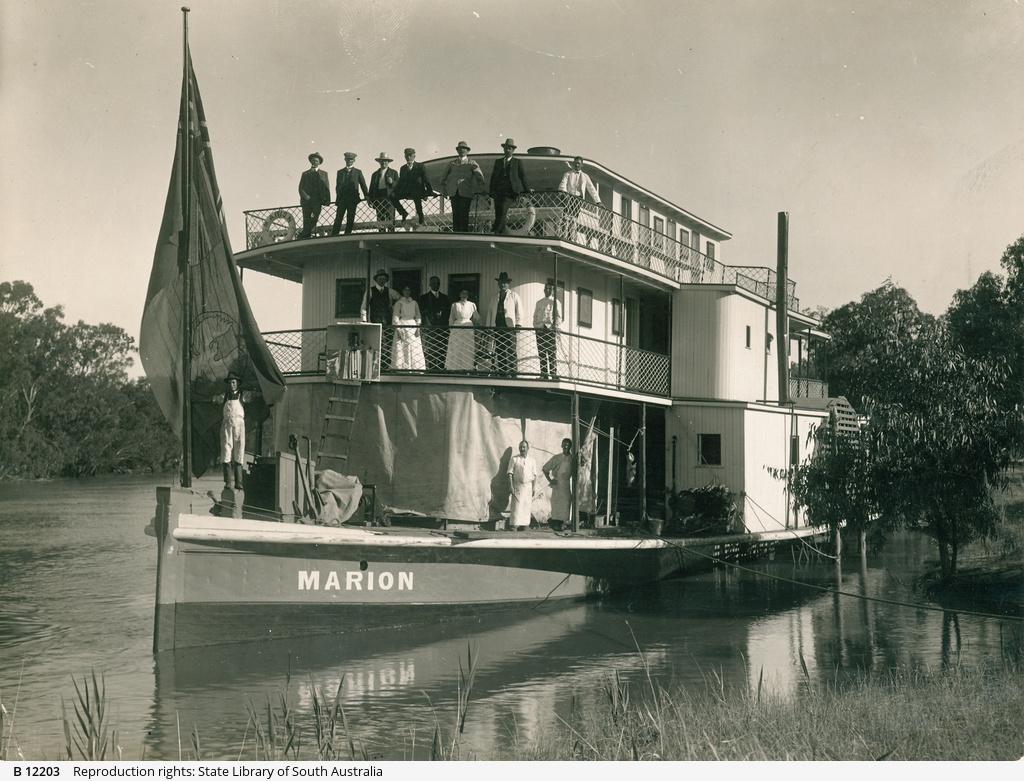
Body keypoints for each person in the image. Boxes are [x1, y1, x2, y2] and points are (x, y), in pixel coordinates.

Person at [438, 141, 485, 232]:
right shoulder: (452, 163)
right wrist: (444, 191)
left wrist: (479, 189)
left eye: (464, 149)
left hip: (466, 193)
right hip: (454, 193)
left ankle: (464, 235)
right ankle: (456, 235)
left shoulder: (472, 163)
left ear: (467, 151)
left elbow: (480, 177)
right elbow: (442, 178)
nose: (462, 150)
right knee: (456, 215)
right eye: (460, 149)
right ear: (457, 151)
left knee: (464, 215)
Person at [489, 138, 531, 235]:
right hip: (498, 192)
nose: (508, 150)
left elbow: (522, 176)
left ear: (513, 150)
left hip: (511, 192)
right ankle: (502, 232)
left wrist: (527, 189)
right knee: (498, 211)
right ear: (503, 149)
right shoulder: (498, 162)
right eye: (506, 148)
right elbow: (493, 177)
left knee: (503, 209)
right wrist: (491, 191)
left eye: (510, 148)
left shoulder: (517, 162)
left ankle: (496, 231)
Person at [484, 271, 523, 375]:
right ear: (498, 283)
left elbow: (519, 311)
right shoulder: (494, 298)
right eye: (501, 282)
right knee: (500, 350)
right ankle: (503, 372)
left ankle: (513, 372)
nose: (503, 284)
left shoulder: (514, 295)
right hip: (497, 327)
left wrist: (518, 324)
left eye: (505, 282)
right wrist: (489, 327)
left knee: (511, 350)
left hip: (509, 327)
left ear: (508, 284)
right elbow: (490, 313)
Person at [360, 268, 400, 367]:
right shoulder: (370, 291)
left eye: (384, 278)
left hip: (388, 321)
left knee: (389, 343)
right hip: (376, 321)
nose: (382, 280)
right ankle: (377, 366)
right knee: (377, 343)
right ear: (376, 279)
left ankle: (387, 366)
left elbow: (400, 299)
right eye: (380, 278)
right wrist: (364, 320)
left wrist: (394, 308)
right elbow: (364, 306)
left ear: (386, 280)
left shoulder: (390, 291)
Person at [330, 152, 369, 235]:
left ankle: (347, 234)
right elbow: (337, 186)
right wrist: (338, 196)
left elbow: (363, 185)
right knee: (338, 217)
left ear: (354, 160)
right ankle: (334, 234)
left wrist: (366, 195)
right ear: (345, 160)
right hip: (342, 199)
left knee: (350, 217)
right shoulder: (340, 172)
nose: (349, 161)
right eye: (348, 159)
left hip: (352, 199)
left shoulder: (358, 172)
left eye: (351, 160)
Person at [418, 276, 450, 371]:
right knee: (431, 350)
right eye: (434, 283)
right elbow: (422, 313)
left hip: (442, 329)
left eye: (437, 283)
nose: (436, 285)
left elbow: (448, 312)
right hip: (430, 329)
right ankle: (431, 370)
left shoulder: (445, 297)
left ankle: (441, 370)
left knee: (442, 349)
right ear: (430, 284)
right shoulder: (424, 298)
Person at [220, 372, 246, 490]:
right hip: (227, 425)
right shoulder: (224, 396)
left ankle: (239, 482)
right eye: (230, 382)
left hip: (239, 425)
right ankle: (228, 482)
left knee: (239, 451)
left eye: (234, 382)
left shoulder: (243, 395)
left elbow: (255, 396)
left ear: (237, 384)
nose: (232, 385)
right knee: (226, 451)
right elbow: (213, 399)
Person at [395, 147, 434, 227]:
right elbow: (401, 182)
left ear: (414, 156)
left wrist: (430, 191)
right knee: (392, 196)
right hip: (406, 191)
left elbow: (426, 179)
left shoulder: (420, 166)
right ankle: (403, 213)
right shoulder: (403, 168)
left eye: (410, 155)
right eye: (406, 156)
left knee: (416, 194)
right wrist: (395, 191)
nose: (408, 157)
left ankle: (420, 215)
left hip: (418, 190)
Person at [390, 286, 426, 370]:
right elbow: (395, 317)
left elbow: (418, 315)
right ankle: (402, 367)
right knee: (402, 347)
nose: (407, 292)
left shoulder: (414, 303)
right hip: (402, 325)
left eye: (409, 290)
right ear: (402, 291)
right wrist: (398, 329)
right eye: (405, 290)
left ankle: (414, 367)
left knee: (414, 347)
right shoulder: (399, 303)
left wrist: (418, 327)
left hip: (413, 327)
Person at [543, 439, 574, 531]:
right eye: (564, 445)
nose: (565, 447)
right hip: (557, 484)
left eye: (567, 445)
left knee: (566, 504)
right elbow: (545, 469)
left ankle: (562, 523)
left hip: (567, 484)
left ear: (570, 446)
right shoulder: (557, 458)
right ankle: (555, 523)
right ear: (561, 445)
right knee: (557, 504)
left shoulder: (572, 459)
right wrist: (550, 480)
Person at [297, 152, 330, 239]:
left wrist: (327, 200)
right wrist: (306, 196)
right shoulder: (305, 173)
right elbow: (300, 188)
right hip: (307, 200)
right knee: (306, 218)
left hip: (318, 200)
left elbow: (327, 187)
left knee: (315, 217)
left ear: (319, 162)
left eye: (316, 161)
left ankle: (304, 234)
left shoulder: (324, 174)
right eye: (313, 160)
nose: (315, 162)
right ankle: (306, 235)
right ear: (311, 161)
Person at [532, 280, 561, 378]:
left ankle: (553, 374)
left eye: (550, 289)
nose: (547, 290)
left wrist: (555, 327)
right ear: (544, 290)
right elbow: (535, 316)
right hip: (540, 330)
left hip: (550, 330)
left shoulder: (555, 302)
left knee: (551, 353)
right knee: (542, 353)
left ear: (553, 290)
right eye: (546, 288)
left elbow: (558, 316)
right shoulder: (539, 303)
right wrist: (536, 327)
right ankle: (543, 374)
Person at [507, 440, 538, 530]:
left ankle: (524, 525)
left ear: (528, 448)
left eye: (524, 447)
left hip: (528, 487)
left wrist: (533, 488)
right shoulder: (514, 459)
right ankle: (514, 525)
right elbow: (510, 473)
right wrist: (511, 486)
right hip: (517, 486)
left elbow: (535, 475)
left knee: (526, 506)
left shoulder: (532, 460)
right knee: (517, 506)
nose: (522, 449)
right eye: (520, 447)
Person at [445, 289, 479, 371]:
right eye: (462, 293)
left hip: (468, 328)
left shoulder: (472, 305)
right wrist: (452, 330)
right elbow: (451, 318)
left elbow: (476, 317)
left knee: (467, 348)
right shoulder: (455, 305)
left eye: (466, 293)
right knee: (457, 347)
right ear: (459, 295)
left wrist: (472, 325)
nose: (464, 295)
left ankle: (467, 368)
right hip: (457, 327)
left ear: (468, 295)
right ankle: (455, 368)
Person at [368, 153, 399, 232]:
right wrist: (370, 199)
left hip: (390, 199)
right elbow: (371, 188)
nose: (384, 163)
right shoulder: (374, 174)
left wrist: (392, 182)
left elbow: (399, 186)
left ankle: (391, 238)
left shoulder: (394, 172)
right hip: (378, 198)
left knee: (390, 220)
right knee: (380, 221)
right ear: (379, 162)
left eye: (385, 161)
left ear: (388, 162)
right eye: (382, 161)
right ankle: (381, 239)